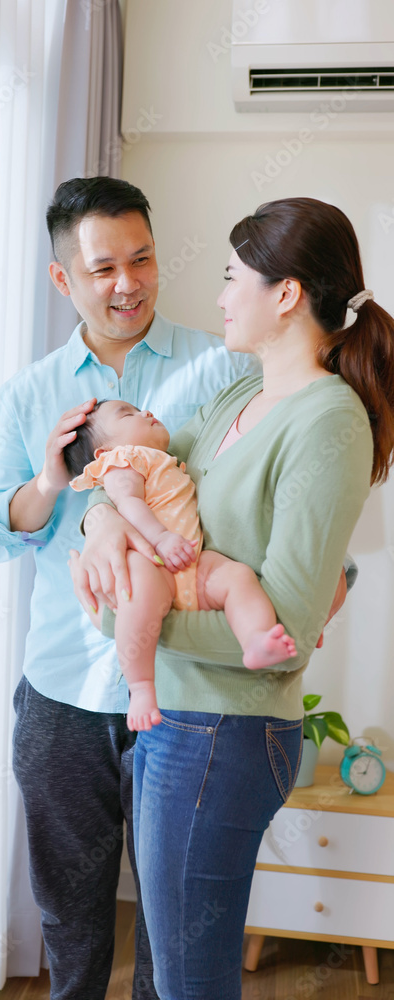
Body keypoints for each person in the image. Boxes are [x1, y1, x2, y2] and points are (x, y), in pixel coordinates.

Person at [70, 197, 394, 1000]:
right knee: (176, 968)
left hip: (225, 727)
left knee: (189, 980)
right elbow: (133, 472)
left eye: (230, 278)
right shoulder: (232, 399)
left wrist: (122, 619)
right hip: (182, 718)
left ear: (284, 295)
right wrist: (101, 524)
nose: (217, 296)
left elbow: (284, 619)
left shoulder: (328, 421)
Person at [0, 176, 268, 1000]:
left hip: (186, 689)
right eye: (103, 269)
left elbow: (252, 504)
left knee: (173, 926)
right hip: (61, 686)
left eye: (142, 259)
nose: (127, 282)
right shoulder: (30, 393)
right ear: (64, 279)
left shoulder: (218, 367)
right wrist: (48, 485)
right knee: (70, 917)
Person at [65, 398, 297, 730]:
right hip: (154, 559)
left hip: (191, 561)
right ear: (103, 452)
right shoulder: (124, 460)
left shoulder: (169, 460)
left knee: (236, 576)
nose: (145, 412)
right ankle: (142, 686)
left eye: (140, 408)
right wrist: (159, 538)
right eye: (128, 414)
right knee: (138, 598)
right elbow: (127, 502)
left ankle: (256, 640)